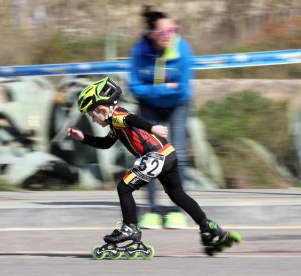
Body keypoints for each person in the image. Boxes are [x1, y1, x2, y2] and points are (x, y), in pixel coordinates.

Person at [67, 77, 239, 256]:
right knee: (177, 194)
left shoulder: (118, 116)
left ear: (101, 109)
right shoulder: (115, 124)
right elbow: (105, 144)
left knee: (124, 188)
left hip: (156, 156)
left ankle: (130, 228)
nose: (93, 120)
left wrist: (152, 128)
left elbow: (132, 118)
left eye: (91, 115)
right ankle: (208, 226)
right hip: (169, 154)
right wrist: (84, 138)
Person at [127, 6, 194, 229]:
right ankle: (152, 210)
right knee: (151, 154)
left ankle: (177, 210)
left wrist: (154, 89)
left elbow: (182, 90)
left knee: (178, 155)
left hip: (178, 105)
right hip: (149, 106)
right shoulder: (139, 51)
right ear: (151, 34)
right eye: (164, 33)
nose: (170, 36)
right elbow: (135, 87)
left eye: (173, 30)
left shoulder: (182, 50)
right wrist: (164, 88)